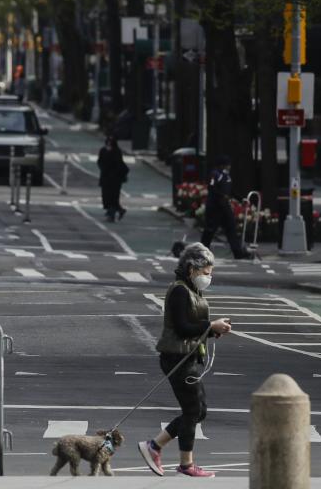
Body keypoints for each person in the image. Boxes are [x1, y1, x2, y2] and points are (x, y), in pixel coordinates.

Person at [138, 242, 232, 478]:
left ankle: (155, 446)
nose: (208, 277)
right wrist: (210, 326)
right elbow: (182, 327)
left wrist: (212, 330)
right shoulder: (180, 290)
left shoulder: (192, 289)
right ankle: (184, 463)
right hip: (177, 357)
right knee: (192, 410)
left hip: (188, 356)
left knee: (199, 410)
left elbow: (193, 327)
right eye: (206, 272)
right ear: (191, 269)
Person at [199, 155, 250, 259]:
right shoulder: (215, 174)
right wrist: (221, 196)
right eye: (228, 165)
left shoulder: (227, 176)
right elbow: (212, 188)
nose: (229, 167)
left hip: (225, 207)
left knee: (231, 229)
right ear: (223, 165)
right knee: (210, 231)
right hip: (215, 207)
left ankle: (238, 252)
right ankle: (202, 252)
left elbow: (230, 191)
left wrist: (241, 199)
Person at [97, 136, 128, 222]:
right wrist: (103, 169)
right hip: (105, 177)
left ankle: (111, 214)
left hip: (115, 179)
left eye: (110, 143)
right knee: (106, 196)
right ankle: (118, 210)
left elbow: (119, 164)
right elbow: (99, 161)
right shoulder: (103, 150)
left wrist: (114, 174)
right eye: (108, 142)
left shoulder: (117, 151)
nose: (109, 144)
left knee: (113, 196)